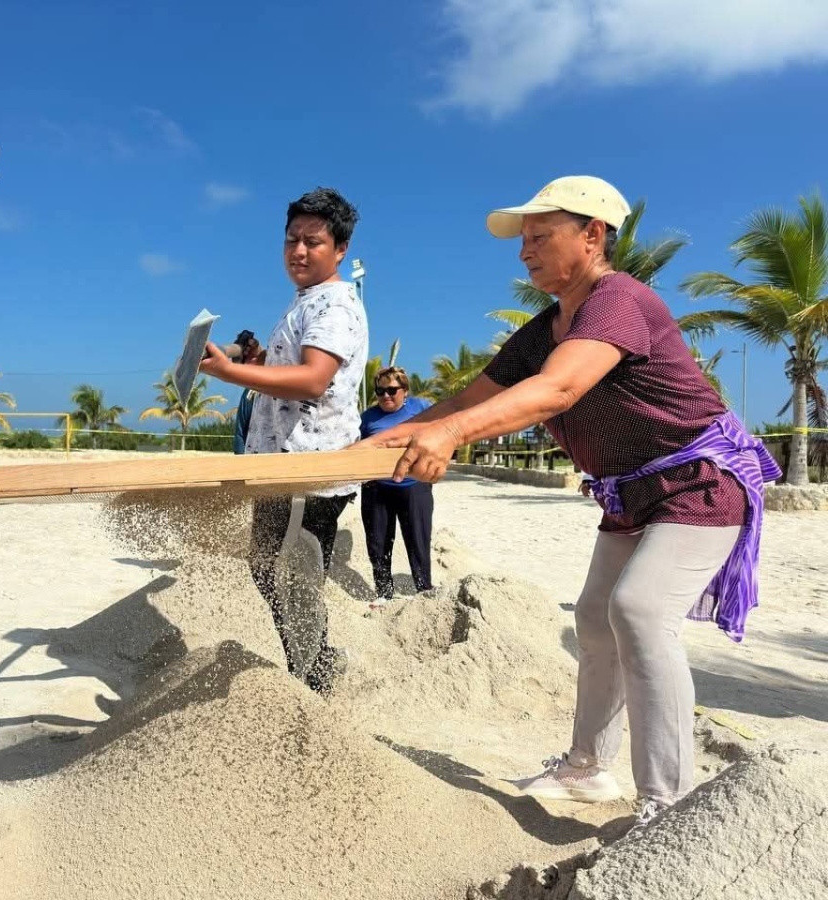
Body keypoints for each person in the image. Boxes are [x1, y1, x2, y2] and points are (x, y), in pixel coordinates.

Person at [355, 175, 779, 826]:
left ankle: (667, 805)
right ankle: (586, 769)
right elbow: (465, 401)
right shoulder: (540, 332)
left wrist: (450, 435)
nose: (524, 250)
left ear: (592, 235)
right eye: (523, 239)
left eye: (539, 236)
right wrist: (369, 446)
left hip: (699, 479)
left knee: (639, 612)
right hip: (627, 491)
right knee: (594, 620)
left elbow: (557, 390)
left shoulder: (619, 300)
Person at [201, 187, 368, 694]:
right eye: (292, 239)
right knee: (273, 570)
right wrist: (256, 362)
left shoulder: (335, 304)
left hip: (307, 471)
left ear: (340, 249)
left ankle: (314, 679)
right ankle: (314, 664)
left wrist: (232, 374)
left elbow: (314, 379)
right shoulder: (306, 302)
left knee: (291, 575)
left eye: (313, 242)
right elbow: (296, 373)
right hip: (283, 467)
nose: (298, 250)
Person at [358, 366, 434, 605]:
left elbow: (441, 433)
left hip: (414, 486)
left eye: (391, 390)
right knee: (378, 542)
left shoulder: (421, 408)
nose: (385, 396)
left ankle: (424, 591)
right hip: (377, 488)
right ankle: (383, 593)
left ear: (405, 390)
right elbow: (356, 450)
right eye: (380, 391)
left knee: (418, 541)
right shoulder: (367, 418)